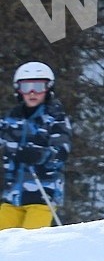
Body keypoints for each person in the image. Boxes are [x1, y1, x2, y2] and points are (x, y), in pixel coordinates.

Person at [1, 61, 72, 230]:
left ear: (48, 89)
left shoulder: (55, 118)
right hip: (12, 195)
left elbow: (61, 151)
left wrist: (40, 155)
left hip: (42, 193)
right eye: (26, 87)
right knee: (3, 239)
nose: (32, 93)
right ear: (18, 90)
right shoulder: (11, 118)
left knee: (30, 239)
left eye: (38, 87)